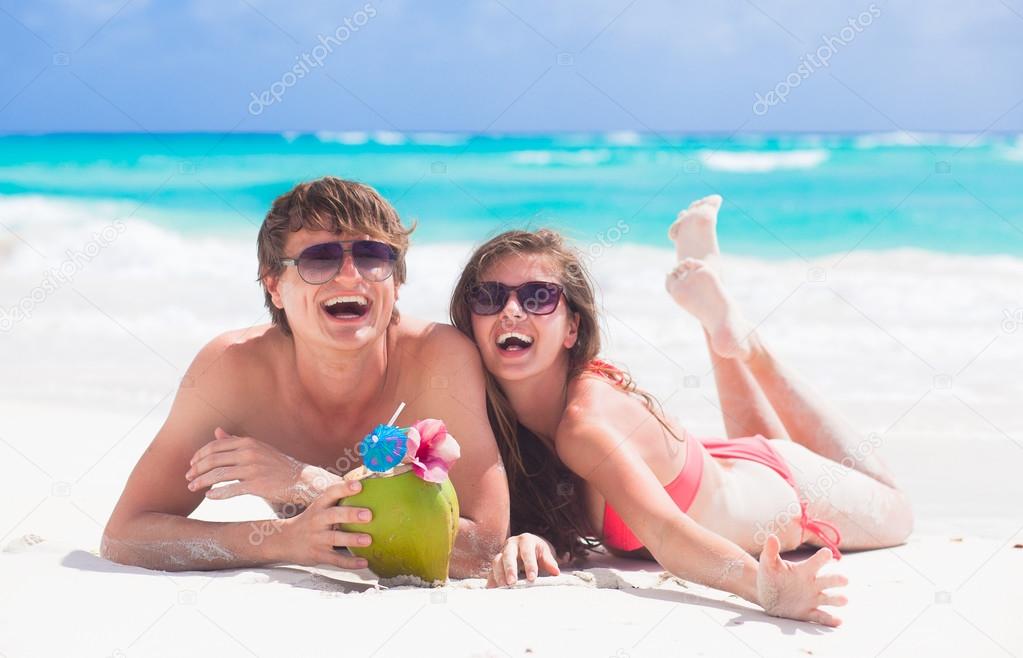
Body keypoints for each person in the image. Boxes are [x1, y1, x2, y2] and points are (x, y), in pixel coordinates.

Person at [449, 195, 913, 626]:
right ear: (471, 319)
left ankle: (749, 349)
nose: (511, 310)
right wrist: (531, 539)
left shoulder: (583, 425)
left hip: (790, 490)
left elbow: (668, 534)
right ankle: (725, 332)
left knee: (897, 509)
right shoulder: (497, 422)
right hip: (729, 471)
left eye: (537, 297)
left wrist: (764, 588)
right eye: (489, 297)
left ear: (572, 327)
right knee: (770, 447)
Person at [102, 176, 509, 576]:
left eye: (372, 256)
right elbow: (124, 536)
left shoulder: (438, 360)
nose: (351, 276)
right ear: (274, 285)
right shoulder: (231, 369)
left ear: (397, 281)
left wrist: (304, 481)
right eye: (320, 258)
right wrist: (280, 540)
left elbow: (482, 550)